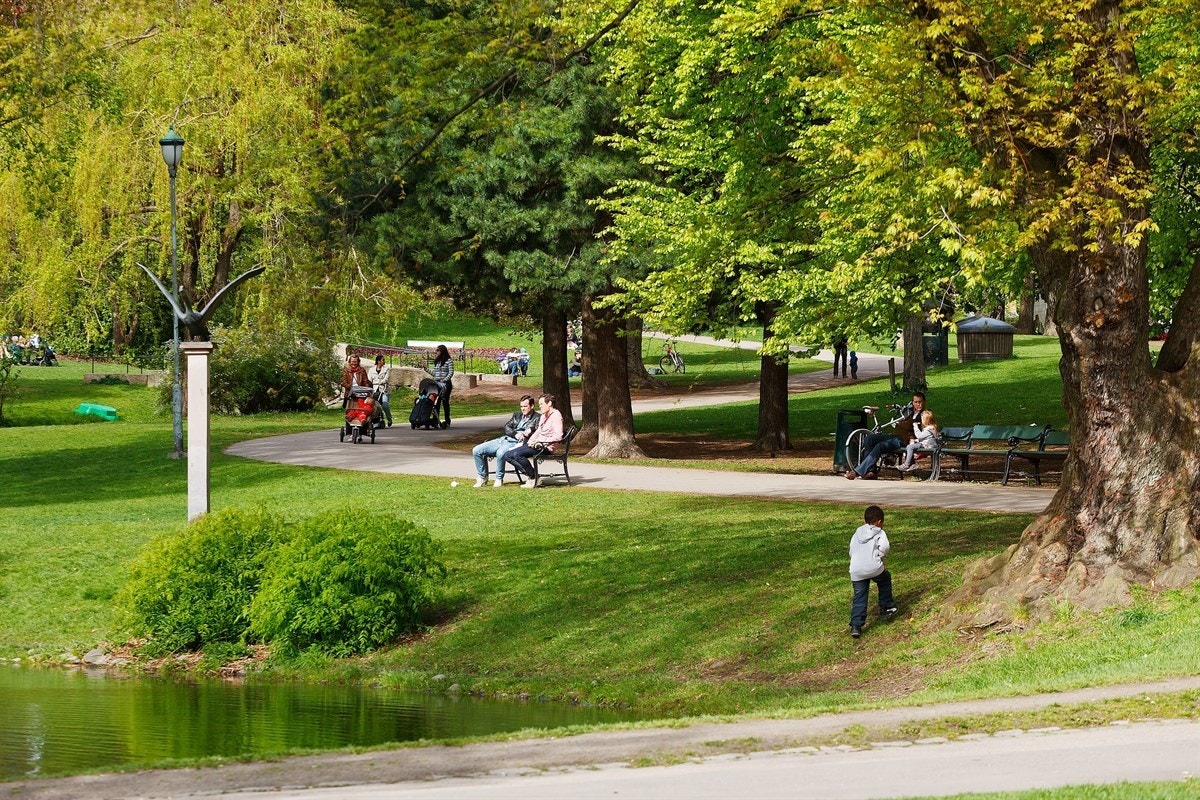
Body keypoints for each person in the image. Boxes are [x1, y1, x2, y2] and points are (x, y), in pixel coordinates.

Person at [846, 392, 928, 480]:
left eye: (920, 402)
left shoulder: (925, 414)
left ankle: (857, 472)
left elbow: (919, 429)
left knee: (880, 446)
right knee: (869, 439)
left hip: (904, 440)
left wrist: (904, 424)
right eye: (915, 402)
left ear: (924, 402)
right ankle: (871, 471)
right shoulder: (910, 412)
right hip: (894, 436)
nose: (918, 404)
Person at [848, 505, 897, 638]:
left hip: (856, 570)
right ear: (879, 522)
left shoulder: (857, 533)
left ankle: (856, 625)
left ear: (865, 520)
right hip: (874, 567)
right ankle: (886, 607)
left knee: (859, 596)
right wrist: (880, 556)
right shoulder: (880, 532)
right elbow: (885, 547)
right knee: (885, 579)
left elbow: (851, 550)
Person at [472, 395, 540, 487]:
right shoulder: (517, 415)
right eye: (521, 406)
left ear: (532, 406)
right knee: (477, 450)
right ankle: (482, 477)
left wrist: (529, 430)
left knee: (501, 453)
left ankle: (498, 478)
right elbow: (507, 427)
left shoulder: (537, 417)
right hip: (504, 439)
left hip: (516, 443)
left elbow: (538, 429)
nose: (522, 409)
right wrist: (515, 434)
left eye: (525, 406)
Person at [497, 393, 564, 488]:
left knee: (517, 454)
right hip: (536, 445)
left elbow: (558, 436)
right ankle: (533, 475)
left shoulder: (556, 416)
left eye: (541, 404)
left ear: (549, 403)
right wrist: (530, 441)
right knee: (507, 455)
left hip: (545, 447)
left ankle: (533, 478)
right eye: (539, 404)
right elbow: (538, 431)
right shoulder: (544, 416)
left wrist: (541, 442)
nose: (540, 406)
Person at [428, 344, 455, 427]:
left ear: (442, 351)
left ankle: (447, 420)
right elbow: (434, 374)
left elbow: (451, 372)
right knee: (436, 402)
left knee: (445, 401)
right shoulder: (437, 361)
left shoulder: (448, 360)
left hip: (445, 384)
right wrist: (425, 369)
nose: (436, 352)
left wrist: (445, 379)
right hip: (437, 383)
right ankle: (435, 420)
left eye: (437, 350)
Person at [367, 354, 393, 427]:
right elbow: (369, 379)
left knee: (385, 405)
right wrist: (369, 385)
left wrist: (381, 382)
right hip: (374, 390)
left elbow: (386, 378)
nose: (384, 361)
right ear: (378, 361)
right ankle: (373, 419)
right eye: (383, 360)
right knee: (373, 405)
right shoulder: (371, 370)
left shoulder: (386, 369)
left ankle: (389, 418)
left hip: (384, 390)